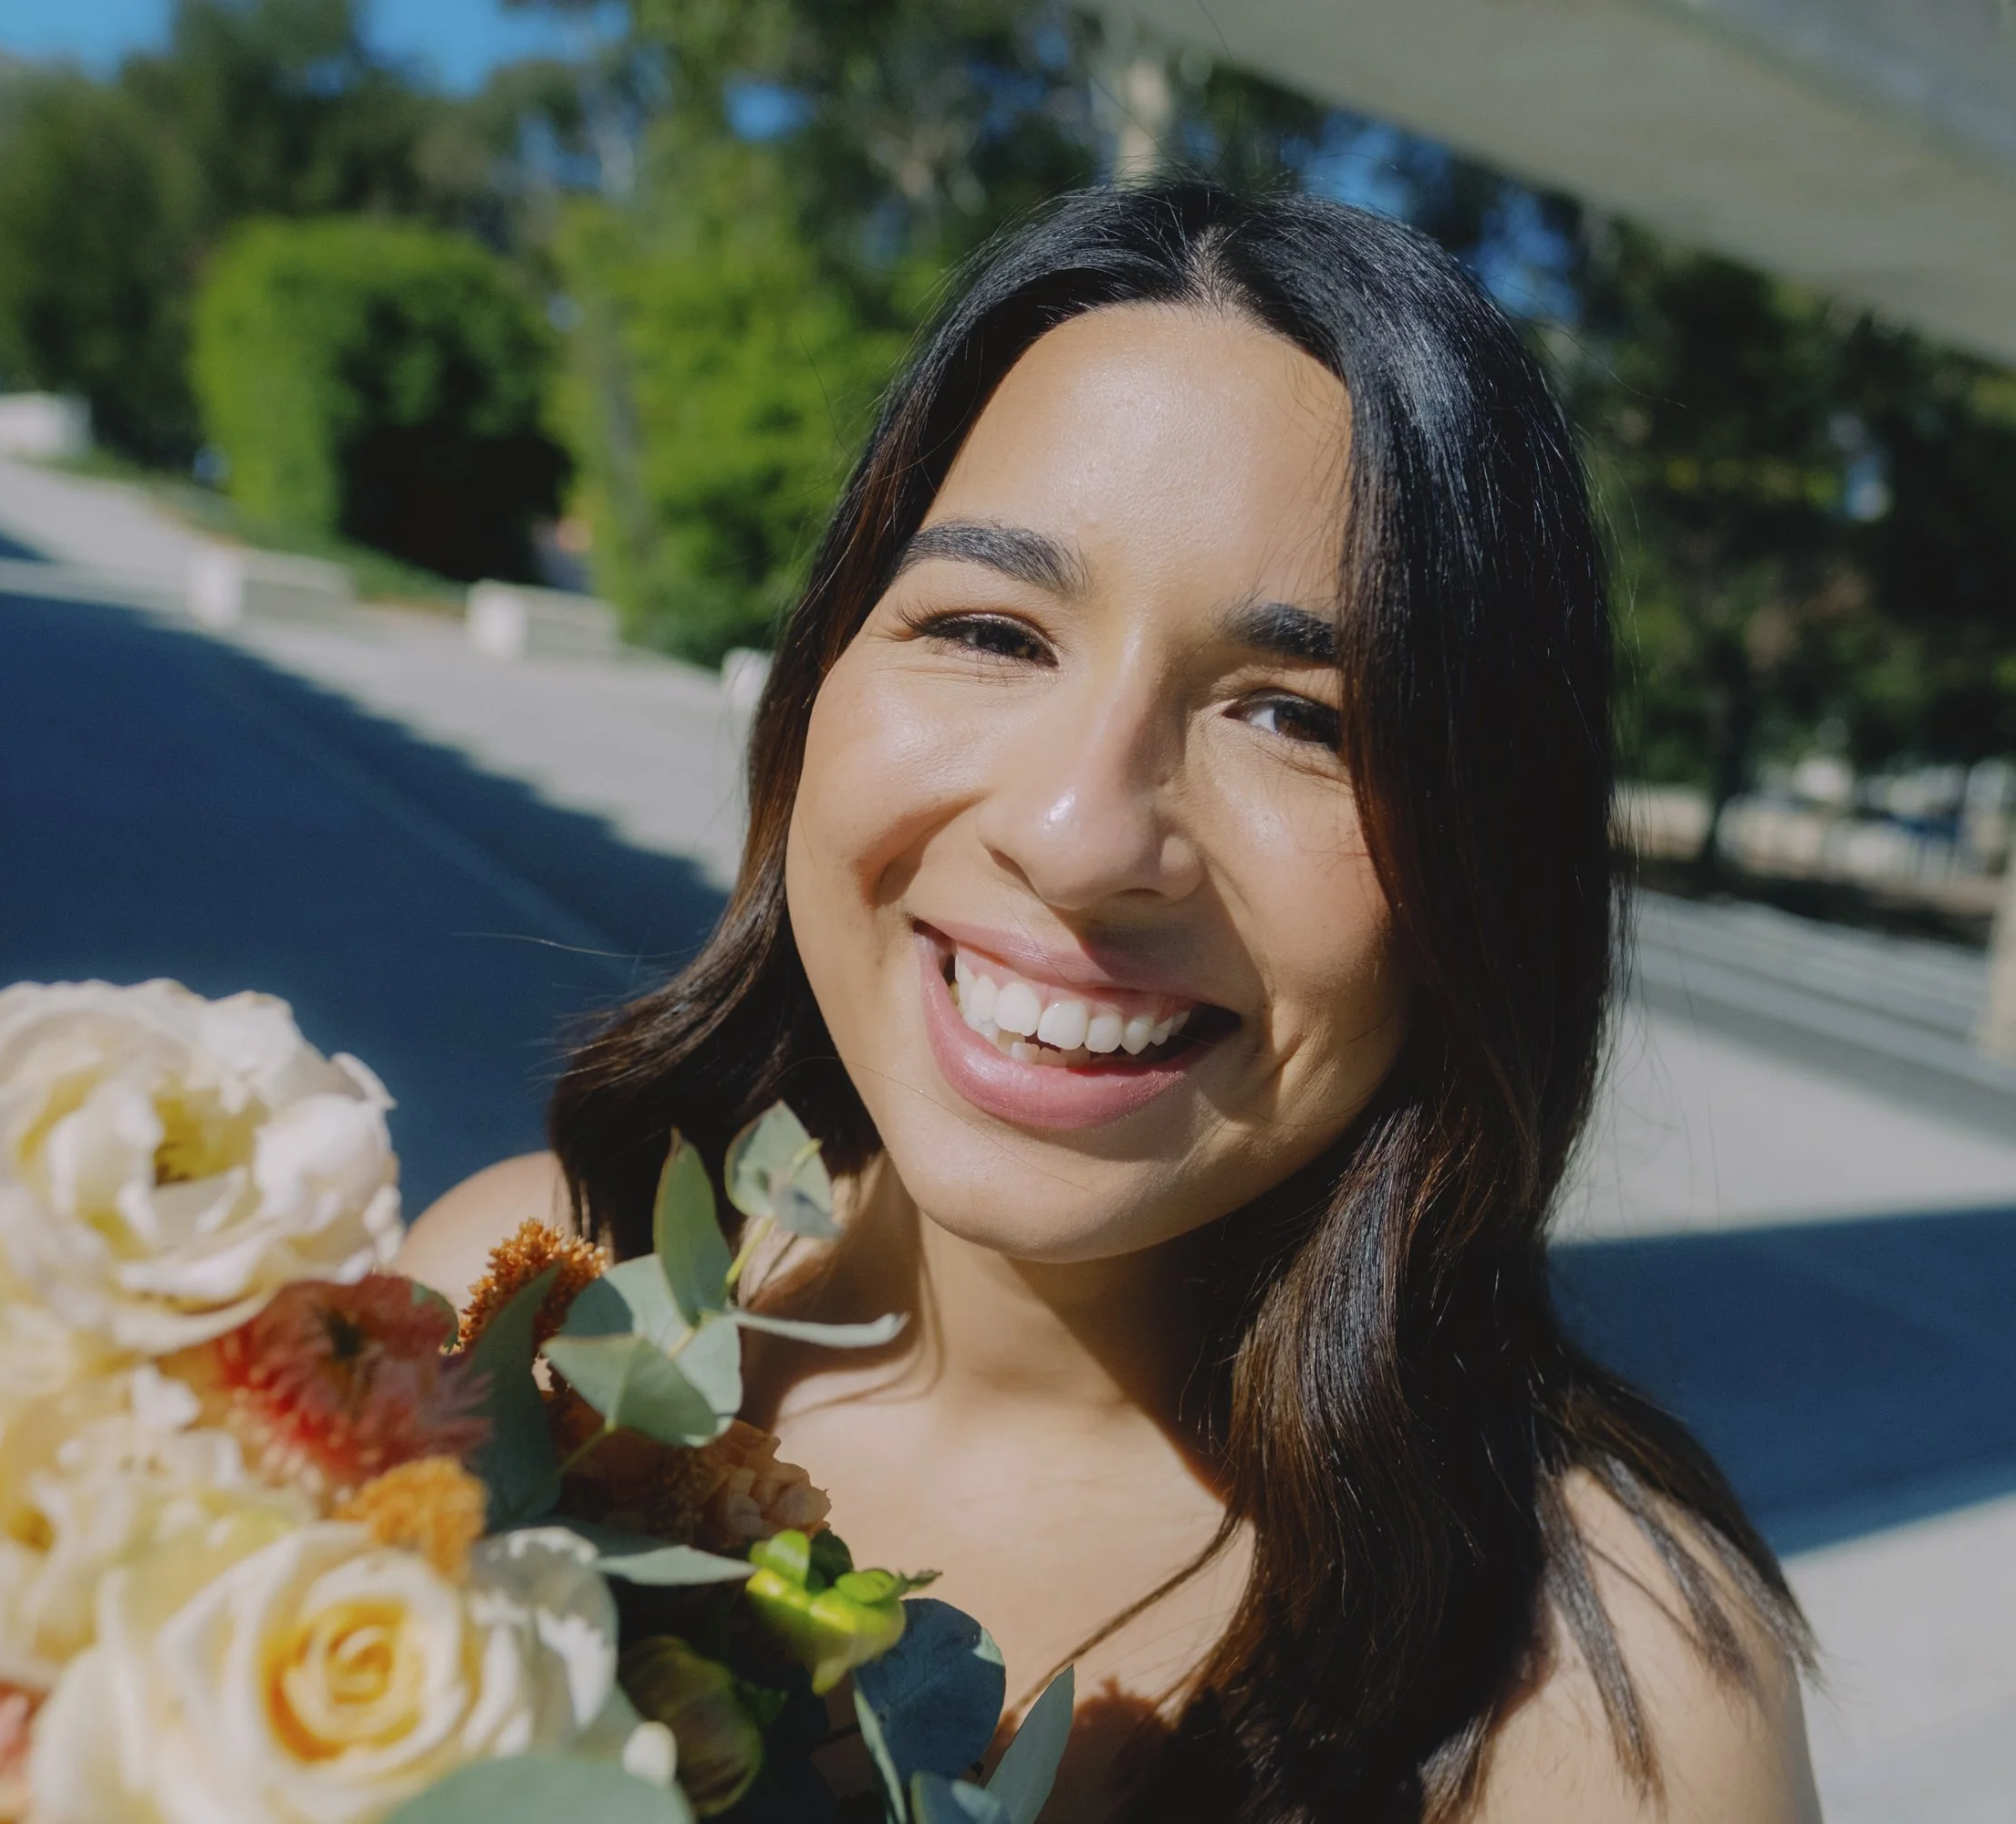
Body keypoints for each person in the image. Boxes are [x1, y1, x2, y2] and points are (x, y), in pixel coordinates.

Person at [401, 181, 1820, 1822]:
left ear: (1484, 872)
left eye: (1303, 722)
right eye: (992, 629)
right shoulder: (494, 1321)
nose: (1080, 841)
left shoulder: (1594, 1701)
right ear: (819, 682)